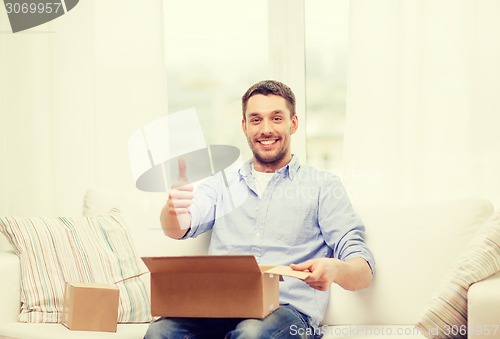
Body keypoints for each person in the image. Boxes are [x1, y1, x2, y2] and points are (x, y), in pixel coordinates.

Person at [145, 80, 375, 339]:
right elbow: (178, 228)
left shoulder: (323, 186)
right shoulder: (222, 183)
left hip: (286, 312)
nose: (266, 129)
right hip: (216, 308)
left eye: (276, 118)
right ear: (245, 127)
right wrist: (173, 209)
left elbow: (362, 270)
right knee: (159, 333)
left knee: (251, 334)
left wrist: (335, 269)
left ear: (293, 123)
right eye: (256, 120)